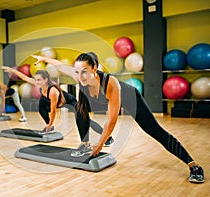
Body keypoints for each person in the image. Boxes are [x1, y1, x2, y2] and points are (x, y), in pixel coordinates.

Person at [32, 52, 204, 183]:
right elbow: (59, 65)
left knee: (154, 130)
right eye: (78, 71)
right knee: (80, 107)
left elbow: (112, 119)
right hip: (97, 98)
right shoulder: (78, 75)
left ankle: (193, 165)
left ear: (95, 68)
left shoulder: (110, 83)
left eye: (85, 71)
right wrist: (43, 58)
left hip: (129, 99)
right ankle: (84, 144)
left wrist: (99, 145)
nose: (81, 75)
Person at [2, 66, 114, 145]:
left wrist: (50, 125)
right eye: (36, 80)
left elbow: (53, 110)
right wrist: (12, 70)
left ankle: (107, 137)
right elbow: (24, 78)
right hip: (55, 102)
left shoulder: (53, 91)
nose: (37, 82)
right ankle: (49, 127)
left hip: (69, 102)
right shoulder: (40, 85)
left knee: (85, 121)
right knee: (41, 106)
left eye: (39, 80)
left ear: (46, 80)